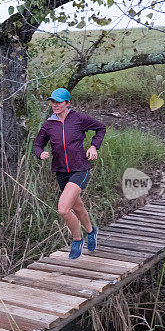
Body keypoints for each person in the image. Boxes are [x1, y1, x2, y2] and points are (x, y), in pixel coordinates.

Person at [33, 87, 106, 259]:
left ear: (67, 103)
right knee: (77, 206)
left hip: (80, 168)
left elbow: (101, 128)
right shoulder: (49, 125)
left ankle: (77, 240)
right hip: (61, 171)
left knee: (63, 209)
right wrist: (40, 153)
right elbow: (37, 144)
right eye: (53, 101)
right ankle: (91, 231)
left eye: (59, 102)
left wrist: (94, 146)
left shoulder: (79, 119)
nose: (55, 105)